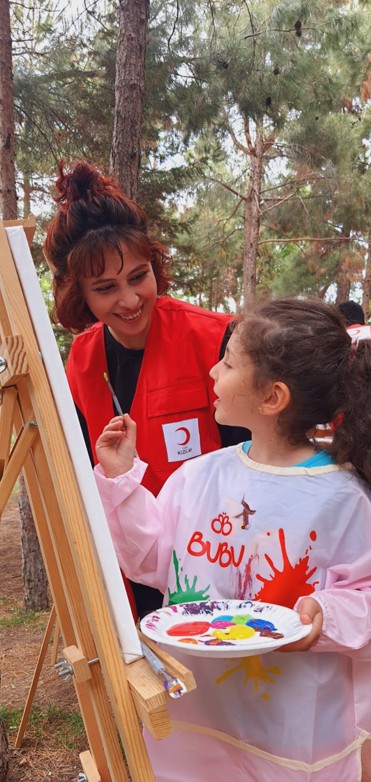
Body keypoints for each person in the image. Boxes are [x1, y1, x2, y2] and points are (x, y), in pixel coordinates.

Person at [94, 296, 371, 782]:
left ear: (272, 398)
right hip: (200, 719)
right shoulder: (199, 476)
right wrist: (123, 479)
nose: (212, 373)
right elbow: (151, 558)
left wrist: (328, 615)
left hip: (290, 733)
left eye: (228, 362)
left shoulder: (341, 497)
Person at [43, 159, 248, 619]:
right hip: (128, 575)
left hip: (215, 564)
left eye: (138, 277)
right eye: (106, 288)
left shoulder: (220, 340)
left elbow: (257, 460)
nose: (130, 300)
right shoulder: (81, 358)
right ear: (81, 295)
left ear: (154, 266)